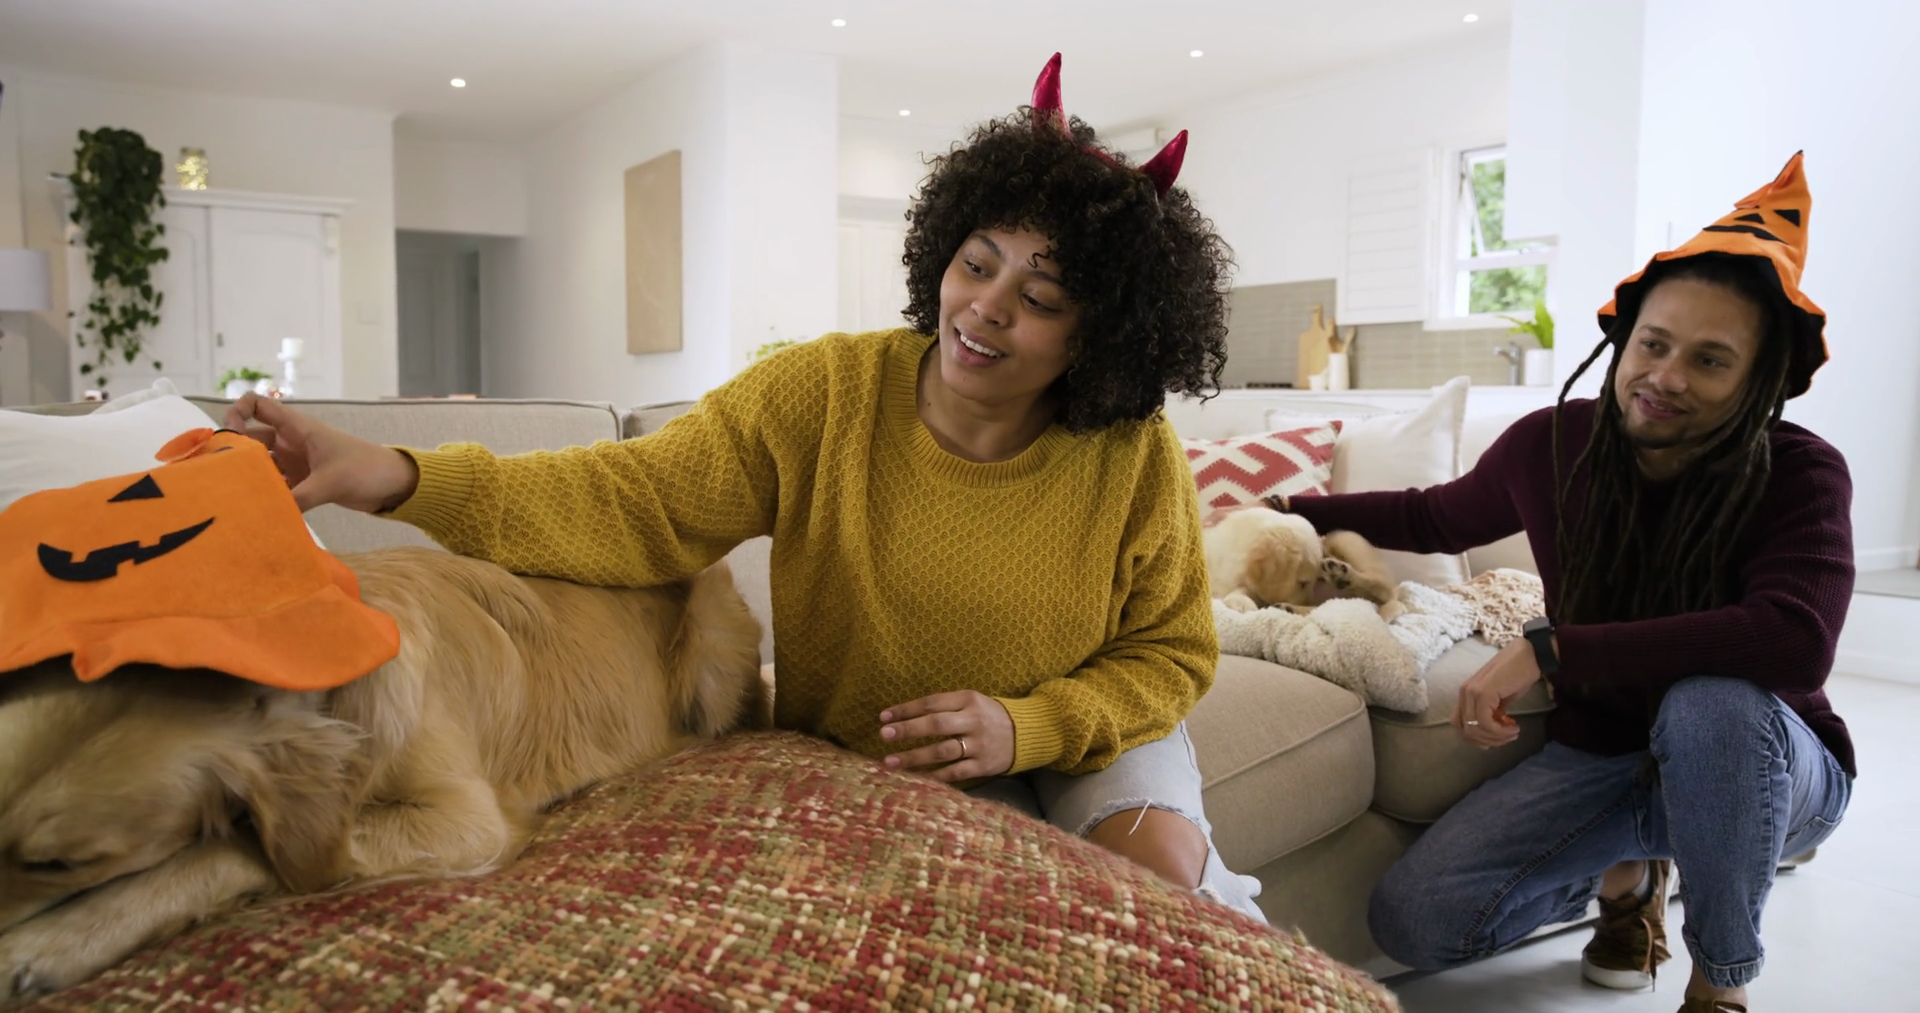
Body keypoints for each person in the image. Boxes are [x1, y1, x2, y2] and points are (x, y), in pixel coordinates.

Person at [225, 54, 1269, 923]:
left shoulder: (1132, 452)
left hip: (1090, 728)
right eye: (977, 263)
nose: (985, 307)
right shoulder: (825, 393)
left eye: (1038, 297)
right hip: (900, 758)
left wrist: (1029, 726)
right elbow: (631, 499)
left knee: (1166, 881)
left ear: (1100, 335)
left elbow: (1173, 651)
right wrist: (398, 475)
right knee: (1024, 914)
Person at [1242, 153, 1852, 1012]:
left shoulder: (1800, 472)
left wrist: (1554, 650)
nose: (1666, 376)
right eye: (1654, 343)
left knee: (1711, 703)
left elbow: (1794, 638)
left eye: (1711, 360)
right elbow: (1432, 516)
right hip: (1606, 761)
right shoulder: (1553, 443)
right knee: (1416, 918)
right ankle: (1629, 880)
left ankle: (1720, 983)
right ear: (1624, 338)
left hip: (1766, 768)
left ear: (1760, 380)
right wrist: (1284, 506)